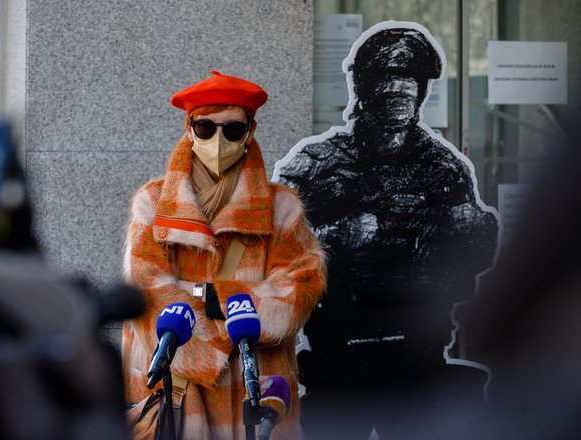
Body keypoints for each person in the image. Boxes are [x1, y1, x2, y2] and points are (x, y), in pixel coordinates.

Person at [274, 22, 499, 437]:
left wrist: (478, 229)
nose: (399, 93)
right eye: (387, 82)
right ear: (363, 89)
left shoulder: (443, 167)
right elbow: (271, 247)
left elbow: (477, 257)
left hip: (418, 354)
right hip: (337, 355)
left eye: (409, 82)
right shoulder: (316, 163)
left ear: (420, 92)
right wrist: (334, 234)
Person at [121, 71, 326, 439]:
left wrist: (224, 299)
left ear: (249, 134)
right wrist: (230, 308)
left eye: (232, 130)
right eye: (206, 128)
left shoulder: (282, 208)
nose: (219, 140)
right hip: (178, 393)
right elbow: (147, 291)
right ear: (189, 129)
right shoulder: (152, 204)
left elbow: (298, 287)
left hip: (256, 387)